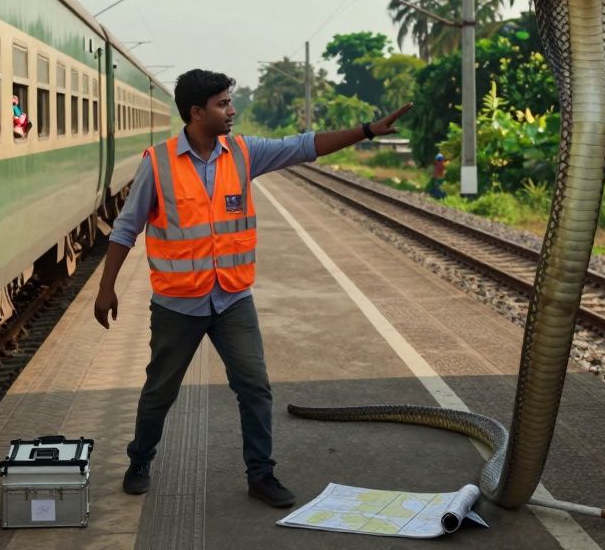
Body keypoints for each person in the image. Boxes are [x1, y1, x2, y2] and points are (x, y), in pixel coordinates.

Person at [93, 69, 411, 509]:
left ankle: (261, 474)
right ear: (196, 112)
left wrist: (367, 131)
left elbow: (302, 145)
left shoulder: (243, 153)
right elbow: (126, 228)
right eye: (223, 104)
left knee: (255, 386)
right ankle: (140, 460)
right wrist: (106, 288)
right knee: (160, 391)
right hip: (178, 303)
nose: (232, 110)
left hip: (232, 299)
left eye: (230, 101)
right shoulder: (159, 162)